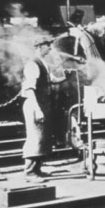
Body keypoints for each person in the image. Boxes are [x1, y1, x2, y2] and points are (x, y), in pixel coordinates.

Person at [21, 35, 70, 180]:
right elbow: (29, 89)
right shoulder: (32, 64)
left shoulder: (42, 62)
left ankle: (37, 169)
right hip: (34, 104)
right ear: (39, 47)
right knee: (35, 138)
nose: (50, 48)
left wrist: (65, 77)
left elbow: (52, 80)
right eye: (47, 45)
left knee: (42, 138)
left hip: (43, 104)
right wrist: (37, 110)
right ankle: (29, 172)